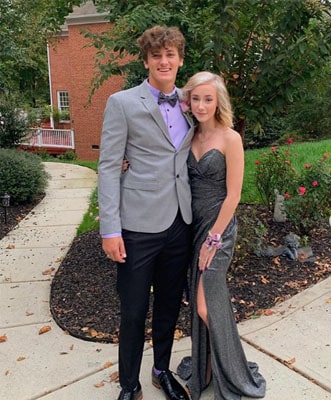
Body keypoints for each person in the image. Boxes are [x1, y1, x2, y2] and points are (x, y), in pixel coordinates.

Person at [98, 26, 193, 400]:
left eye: (170, 55)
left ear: (180, 59)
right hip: (137, 226)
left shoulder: (191, 101)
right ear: (146, 61)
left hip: (180, 223)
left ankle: (161, 371)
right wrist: (110, 230)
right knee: (134, 311)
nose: (164, 61)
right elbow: (108, 166)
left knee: (169, 306)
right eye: (157, 56)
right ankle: (129, 384)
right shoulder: (122, 103)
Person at [180, 71, 267, 399]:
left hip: (219, 229)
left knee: (207, 306)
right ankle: (206, 368)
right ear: (188, 101)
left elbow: (234, 196)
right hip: (192, 229)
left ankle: (233, 374)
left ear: (218, 102)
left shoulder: (231, 138)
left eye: (208, 99)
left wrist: (213, 240)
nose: (201, 105)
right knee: (201, 303)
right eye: (196, 98)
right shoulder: (188, 136)